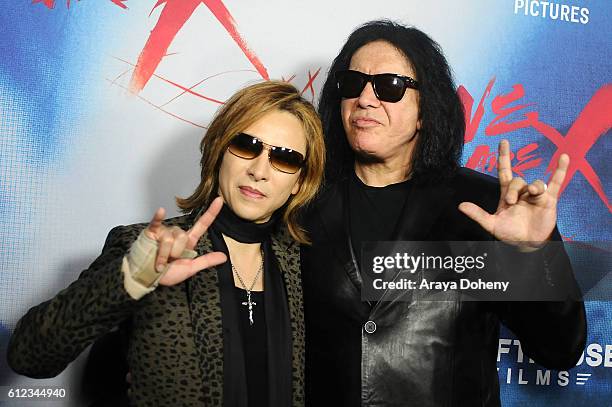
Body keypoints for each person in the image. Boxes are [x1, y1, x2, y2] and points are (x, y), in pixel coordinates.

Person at [301, 20, 586, 406]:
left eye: (389, 86)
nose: (366, 99)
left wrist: (532, 256)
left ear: (425, 110)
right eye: (353, 84)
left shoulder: (485, 206)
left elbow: (559, 350)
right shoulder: (302, 202)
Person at [7, 80, 325, 407]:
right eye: (246, 145)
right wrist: (133, 276)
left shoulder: (306, 267)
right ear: (219, 151)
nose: (259, 170)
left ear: (299, 182)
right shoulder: (144, 248)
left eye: (284, 159)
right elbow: (28, 355)